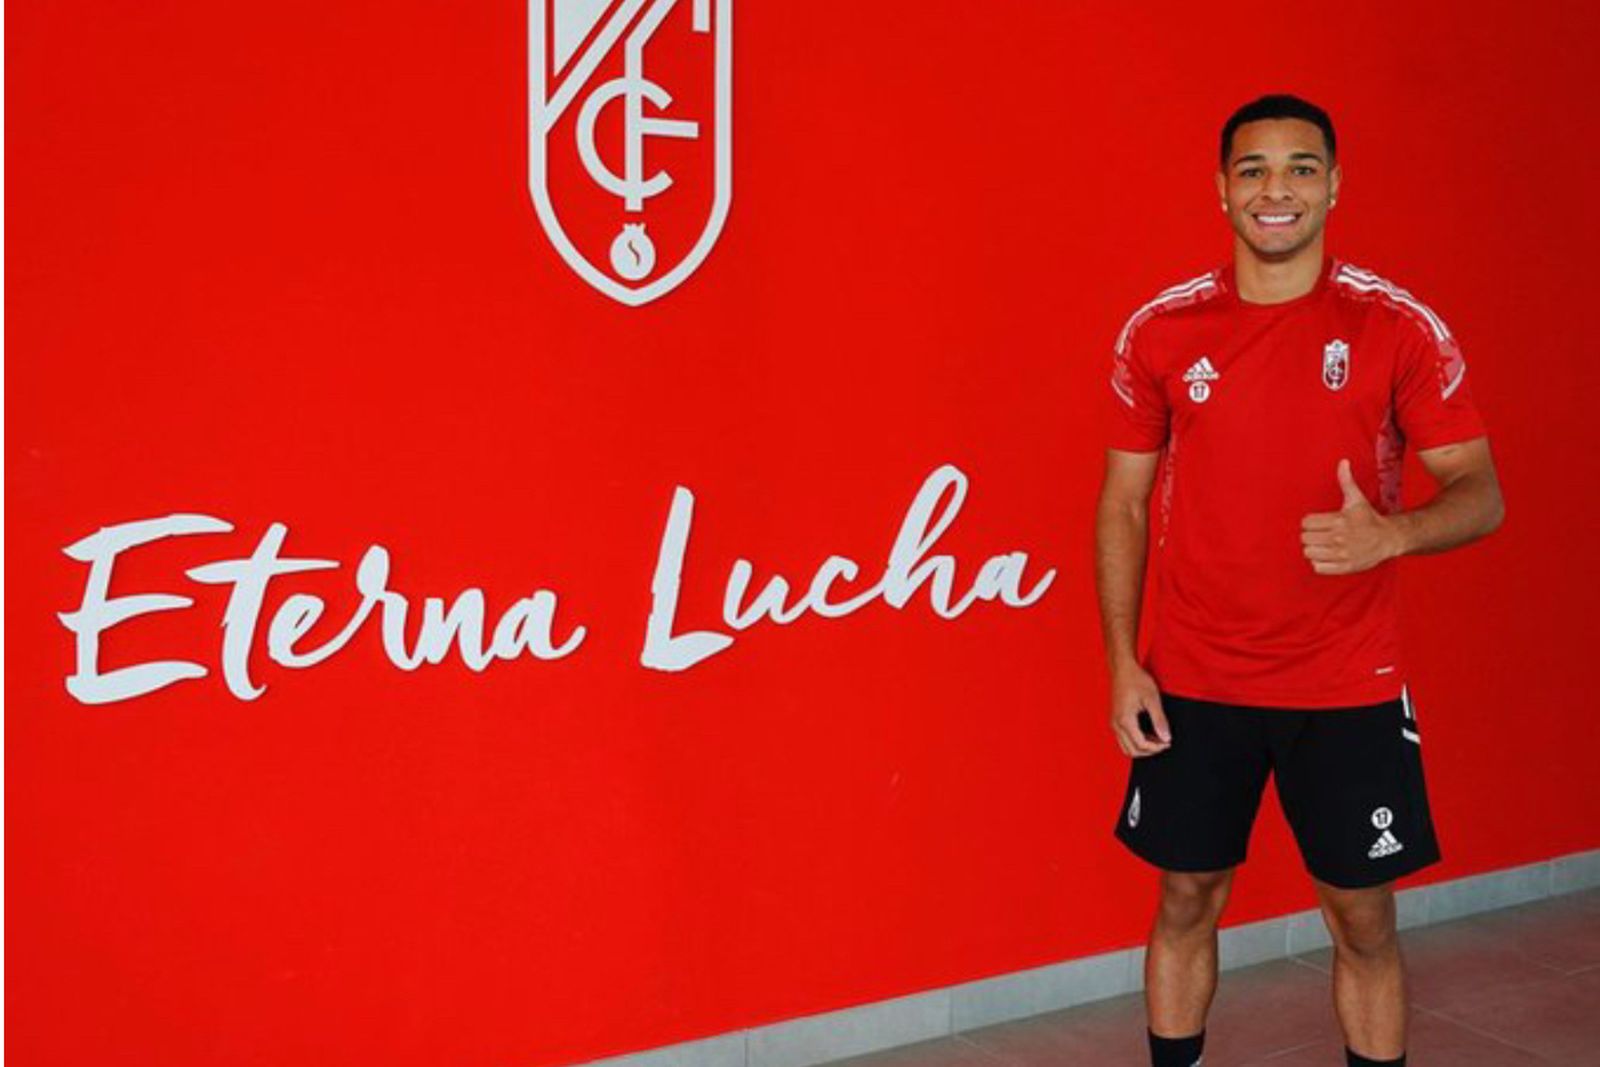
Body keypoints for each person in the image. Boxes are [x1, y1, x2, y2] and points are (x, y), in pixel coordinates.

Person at [1094, 94, 1506, 1067]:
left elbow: (1481, 491)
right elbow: (1119, 503)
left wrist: (1392, 534)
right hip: (1192, 677)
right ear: (1222, 189)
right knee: (1185, 896)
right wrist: (1122, 661)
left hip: (1345, 681)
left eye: (1299, 167)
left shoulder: (1393, 326)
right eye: (1252, 169)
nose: (1275, 189)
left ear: (1333, 184)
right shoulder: (1160, 330)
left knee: (1361, 917)